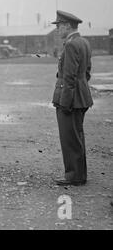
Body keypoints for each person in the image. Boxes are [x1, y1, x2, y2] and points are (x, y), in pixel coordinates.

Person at [52, 10, 93, 186]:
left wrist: (66, 103)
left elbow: (69, 77)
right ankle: (79, 174)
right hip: (82, 97)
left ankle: (74, 176)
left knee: (69, 138)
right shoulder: (84, 42)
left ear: (68, 26)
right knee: (77, 136)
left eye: (59, 26)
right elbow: (87, 72)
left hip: (70, 99)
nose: (57, 30)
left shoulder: (70, 45)